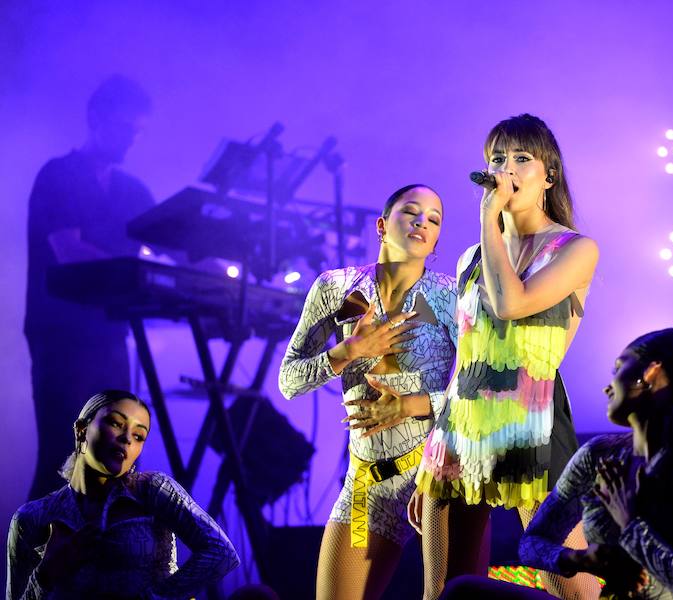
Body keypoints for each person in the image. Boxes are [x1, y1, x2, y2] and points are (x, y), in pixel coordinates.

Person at [410, 114, 601, 599]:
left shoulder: (575, 248)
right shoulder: (470, 257)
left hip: (529, 419)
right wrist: (431, 451)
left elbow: (510, 303)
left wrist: (487, 222)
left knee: (574, 589)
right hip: (461, 423)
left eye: (521, 158)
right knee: (445, 592)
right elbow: (465, 353)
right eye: (497, 158)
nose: (507, 168)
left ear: (548, 175)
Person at [278, 184, 457, 600]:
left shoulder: (452, 296)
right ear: (382, 224)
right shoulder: (335, 287)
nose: (421, 222)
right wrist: (346, 352)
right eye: (411, 212)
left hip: (434, 477)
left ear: (436, 241)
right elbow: (289, 381)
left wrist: (414, 404)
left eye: (433, 220)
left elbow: (477, 395)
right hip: (366, 484)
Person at [512, 328, 673, 600]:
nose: (608, 386)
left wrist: (628, 522)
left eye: (618, 368)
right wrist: (577, 559)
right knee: (464, 590)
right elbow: (531, 543)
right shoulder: (600, 455)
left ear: (651, 372)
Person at [25, 75, 155, 500]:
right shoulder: (58, 175)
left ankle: (91, 562)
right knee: (63, 458)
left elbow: (173, 244)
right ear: (94, 119)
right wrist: (135, 268)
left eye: (135, 132)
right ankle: (33, 563)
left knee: (107, 462)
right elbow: (68, 250)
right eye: (122, 129)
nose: (129, 140)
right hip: (61, 333)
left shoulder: (131, 190)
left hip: (108, 333)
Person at [6, 390, 239, 599]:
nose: (127, 438)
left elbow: (222, 553)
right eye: (116, 423)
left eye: (139, 436)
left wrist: (156, 597)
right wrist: (46, 574)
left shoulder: (152, 490)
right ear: (81, 430)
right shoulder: (31, 518)